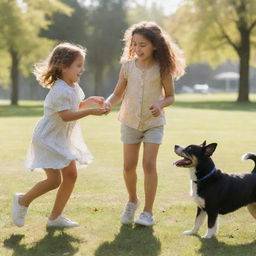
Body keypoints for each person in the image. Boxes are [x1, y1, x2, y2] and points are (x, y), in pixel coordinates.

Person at [12, 42, 108, 228]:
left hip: (60, 137)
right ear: (64, 67)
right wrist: (89, 112)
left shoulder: (72, 86)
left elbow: (73, 108)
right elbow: (65, 116)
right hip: (48, 138)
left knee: (70, 175)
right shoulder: (59, 90)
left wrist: (88, 102)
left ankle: (55, 218)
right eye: (78, 65)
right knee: (54, 181)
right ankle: (22, 201)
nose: (82, 69)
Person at [105, 21, 185, 226]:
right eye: (134, 44)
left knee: (149, 164)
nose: (137, 49)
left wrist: (160, 104)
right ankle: (132, 201)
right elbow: (117, 93)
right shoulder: (127, 66)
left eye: (143, 44)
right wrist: (107, 103)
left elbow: (171, 97)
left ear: (155, 45)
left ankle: (147, 212)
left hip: (154, 123)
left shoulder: (162, 68)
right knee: (128, 166)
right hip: (130, 121)